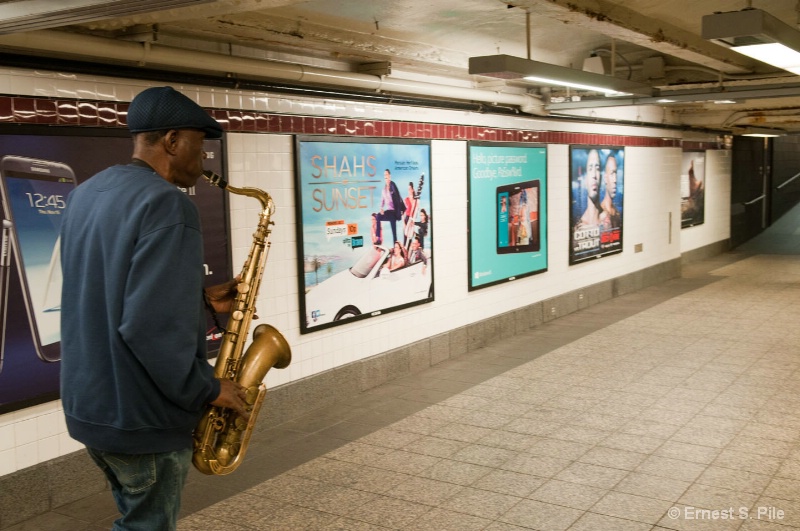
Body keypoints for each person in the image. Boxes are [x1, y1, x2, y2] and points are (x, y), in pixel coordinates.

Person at [60, 86, 250, 531]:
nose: (202, 161)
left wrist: (201, 299)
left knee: (134, 516)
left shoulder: (86, 194)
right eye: (198, 146)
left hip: (91, 406)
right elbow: (150, 327)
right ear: (171, 140)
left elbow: (108, 292)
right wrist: (206, 387)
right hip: (141, 414)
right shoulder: (168, 204)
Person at [374, 169, 405, 244]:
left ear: (389, 176)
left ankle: (396, 246)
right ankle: (378, 238)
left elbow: (398, 197)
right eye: (384, 175)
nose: (385, 176)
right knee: (378, 216)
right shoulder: (383, 190)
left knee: (394, 232)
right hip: (389, 212)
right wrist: (381, 208)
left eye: (387, 175)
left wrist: (401, 210)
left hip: (394, 212)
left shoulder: (393, 185)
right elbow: (382, 201)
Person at [574, 148, 602, 230]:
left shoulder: (608, 218)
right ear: (585, 179)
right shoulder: (580, 228)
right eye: (590, 169)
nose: (594, 175)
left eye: (597, 169)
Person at [599, 152, 621, 230]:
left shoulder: (617, 213)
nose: (615, 180)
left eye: (616, 174)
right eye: (612, 174)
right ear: (605, 178)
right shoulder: (600, 214)